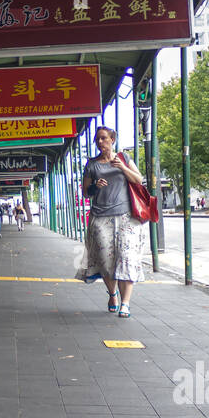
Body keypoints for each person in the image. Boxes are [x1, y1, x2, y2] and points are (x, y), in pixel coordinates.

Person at [80, 125, 146, 318]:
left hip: (126, 216)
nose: (100, 142)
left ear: (112, 140)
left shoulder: (123, 158)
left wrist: (122, 168)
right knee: (106, 262)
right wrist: (94, 187)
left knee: (127, 257)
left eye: (103, 138)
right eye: (97, 139)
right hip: (101, 217)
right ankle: (112, 294)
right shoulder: (92, 165)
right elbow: (85, 193)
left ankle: (125, 303)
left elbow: (138, 180)